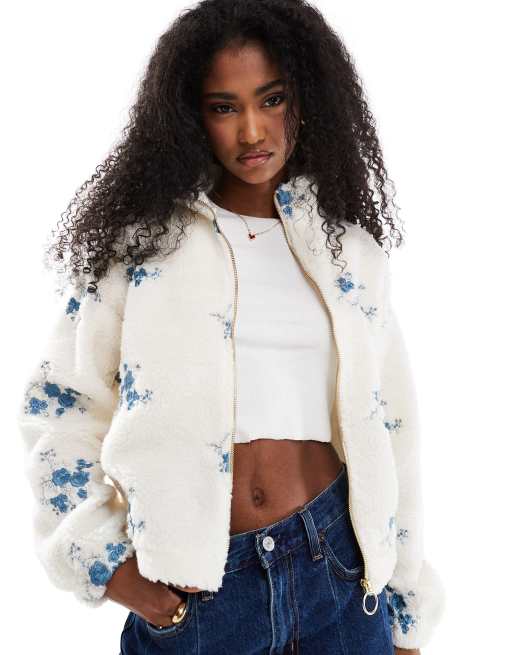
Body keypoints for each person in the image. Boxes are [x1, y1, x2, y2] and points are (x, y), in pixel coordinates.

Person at [16, 1, 446, 653]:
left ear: (304, 99)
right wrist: (108, 565)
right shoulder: (143, 250)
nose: (251, 130)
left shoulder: (348, 255)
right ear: (192, 116)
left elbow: (394, 428)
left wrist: (406, 609)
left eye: (271, 99)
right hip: (199, 599)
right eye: (224, 107)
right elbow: (60, 407)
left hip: (339, 578)